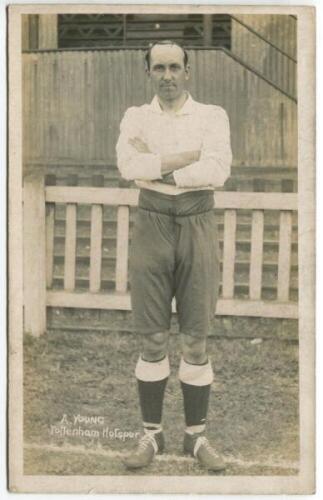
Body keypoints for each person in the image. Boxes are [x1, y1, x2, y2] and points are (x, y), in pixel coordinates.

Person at [116, 40, 232, 471]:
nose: (167, 75)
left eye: (174, 67)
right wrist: (187, 159)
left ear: (188, 71)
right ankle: (152, 434)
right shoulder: (135, 117)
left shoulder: (211, 115)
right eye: (159, 67)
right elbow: (128, 166)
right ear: (148, 72)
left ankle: (195, 438)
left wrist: (159, 165)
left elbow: (218, 170)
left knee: (196, 339)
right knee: (151, 338)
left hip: (197, 222)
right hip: (152, 223)